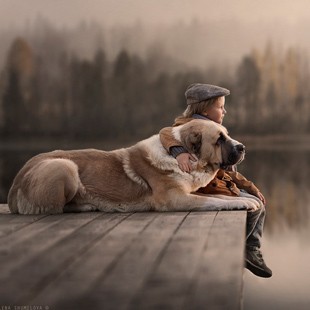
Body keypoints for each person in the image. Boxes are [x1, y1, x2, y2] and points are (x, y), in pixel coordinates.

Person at [159, 83, 272, 278]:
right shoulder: (191, 127)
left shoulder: (215, 130)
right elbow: (166, 133)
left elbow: (228, 171)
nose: (225, 111)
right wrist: (178, 152)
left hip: (218, 184)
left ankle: (248, 249)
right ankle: (243, 249)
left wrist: (249, 186)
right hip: (205, 188)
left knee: (258, 204)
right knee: (254, 207)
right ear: (204, 109)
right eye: (220, 107)